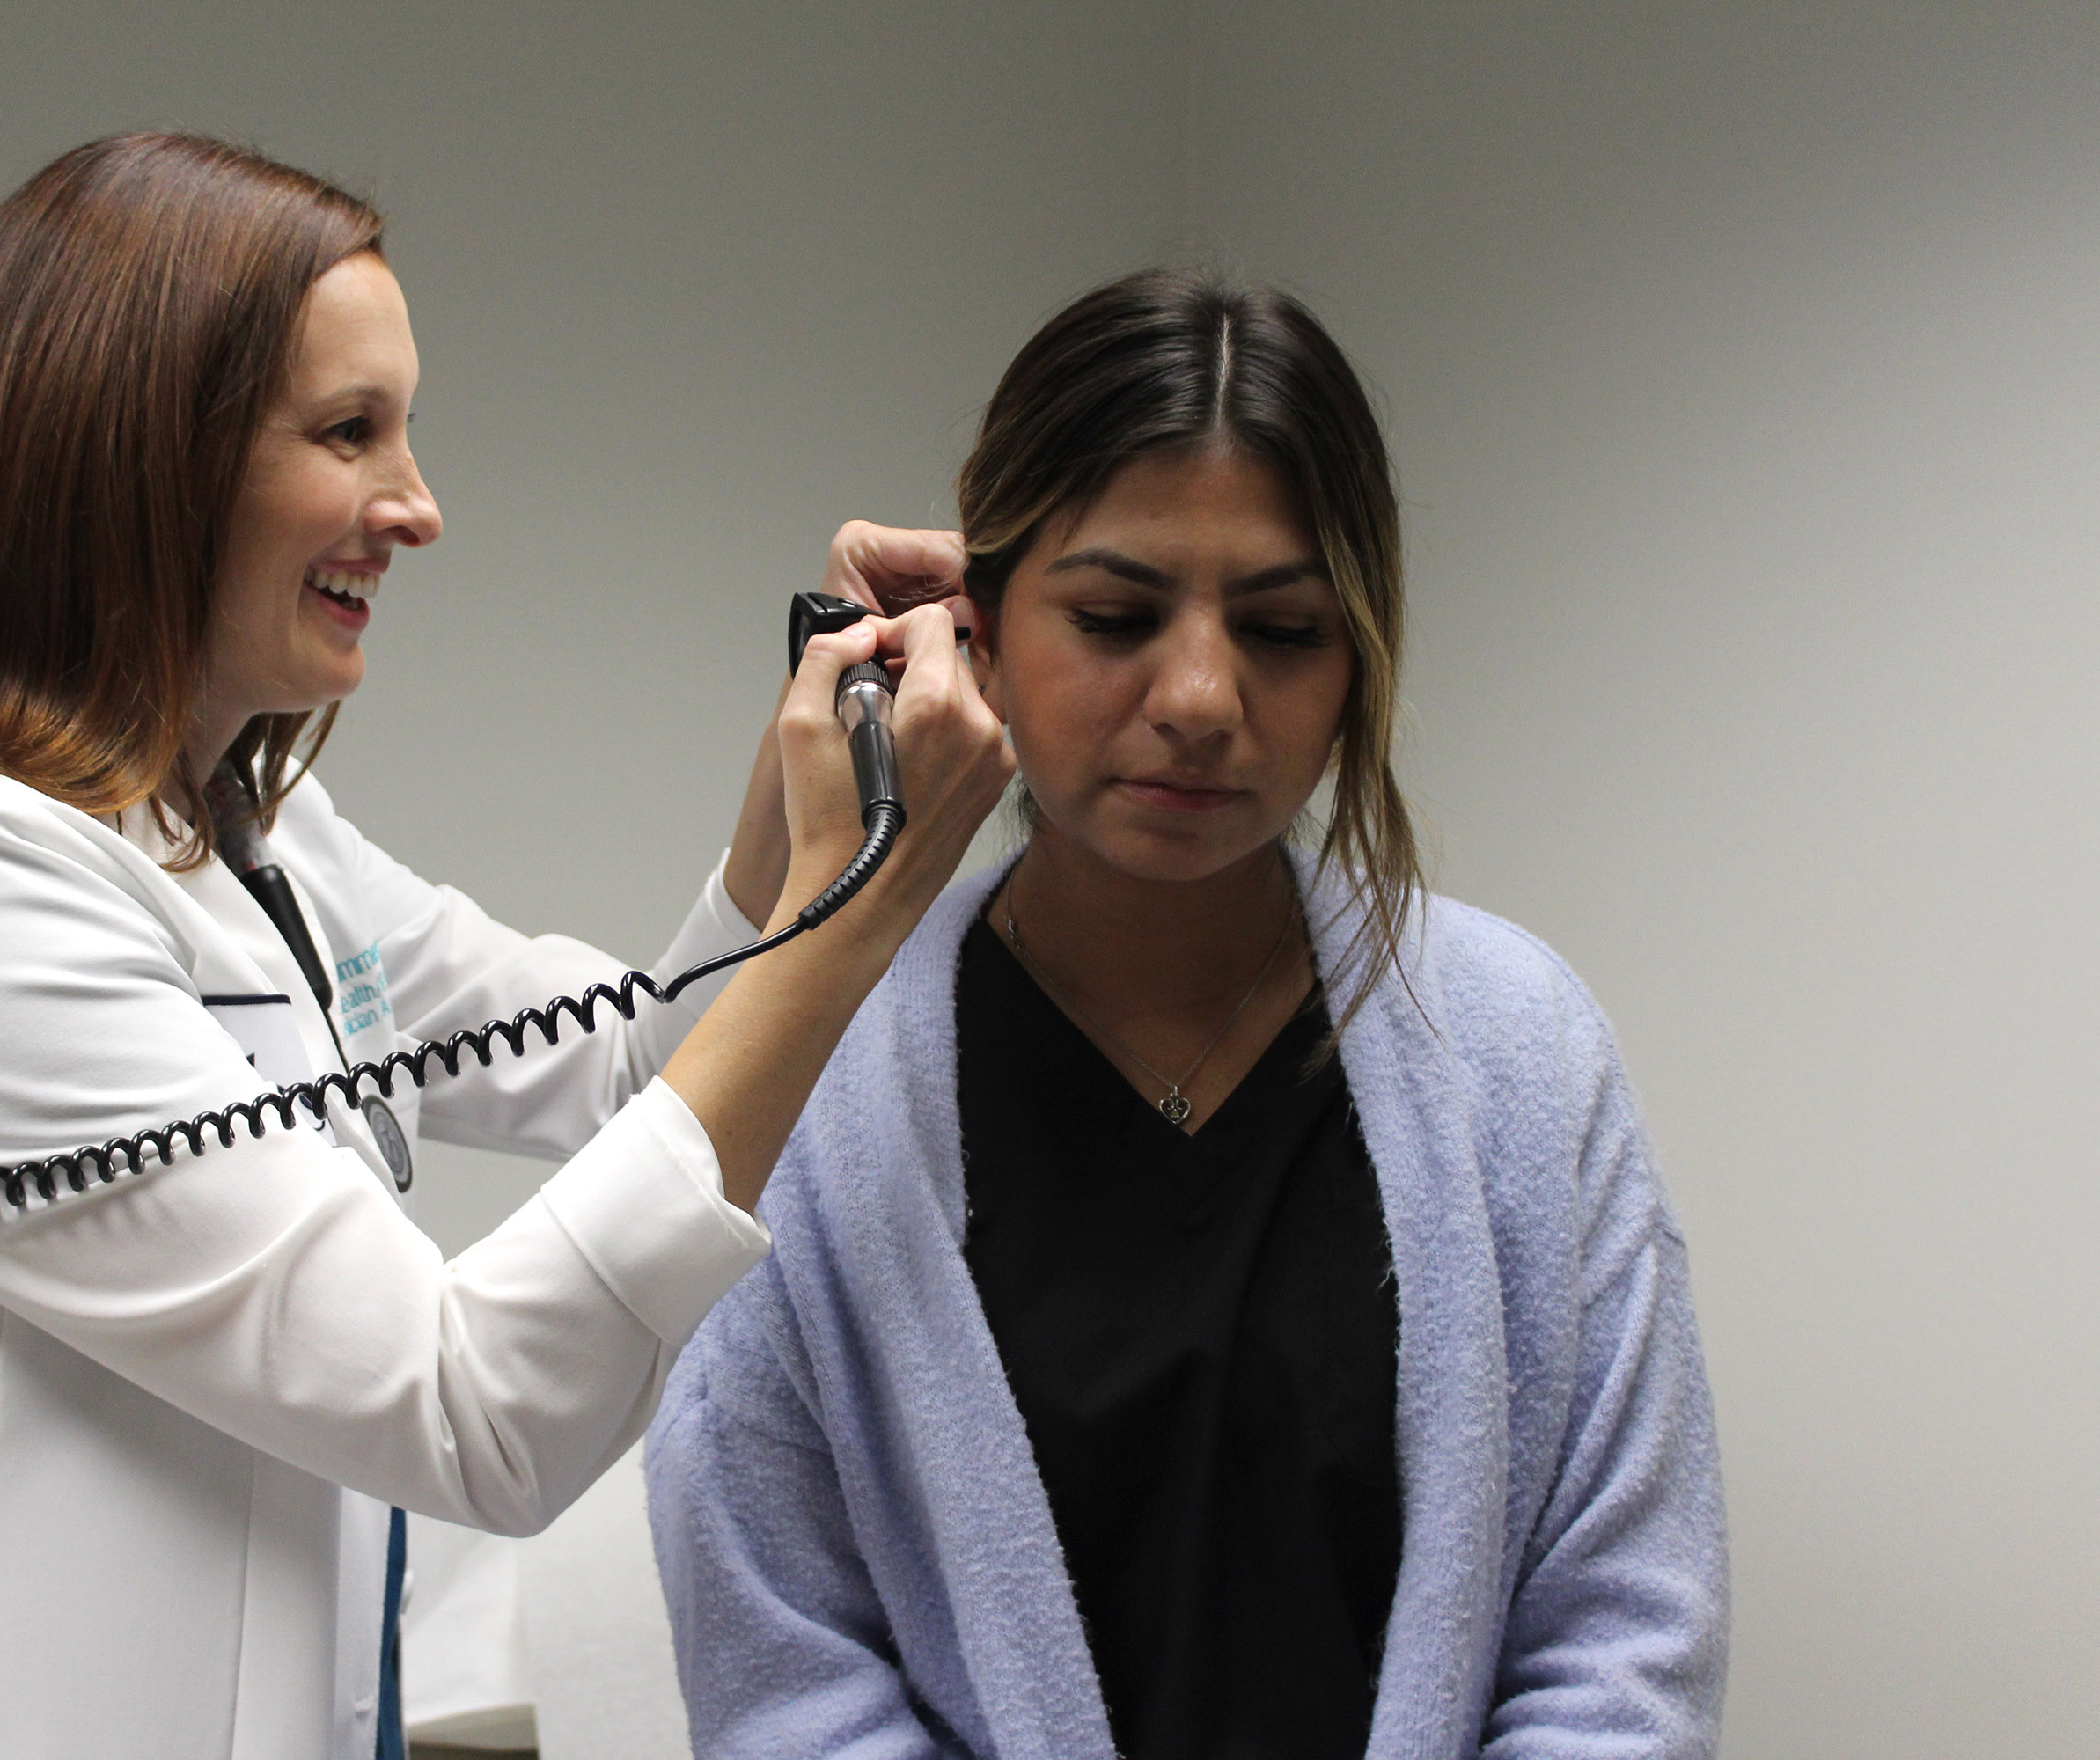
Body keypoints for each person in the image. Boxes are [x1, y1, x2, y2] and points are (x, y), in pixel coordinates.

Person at [0, 132, 1010, 1760]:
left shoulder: (247, 838)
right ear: (137, 459)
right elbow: (471, 1414)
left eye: (408, 432)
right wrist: (869, 902)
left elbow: (632, 1075)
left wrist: (806, 762)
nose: (419, 508)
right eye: (348, 433)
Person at [645, 270, 1731, 1758]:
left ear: (1359, 662)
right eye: (1114, 614)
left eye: (1283, 631)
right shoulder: (811, 1078)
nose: (1203, 694)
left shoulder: (1519, 1050)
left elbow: (1624, 1636)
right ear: (976, 629)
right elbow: (784, 1675)